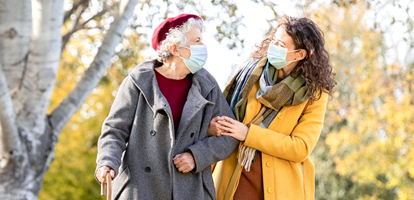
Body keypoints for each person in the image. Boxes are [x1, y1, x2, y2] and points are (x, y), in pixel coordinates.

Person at [95, 14, 239, 200]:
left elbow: (229, 136)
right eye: (197, 40)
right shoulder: (138, 81)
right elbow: (115, 130)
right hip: (140, 189)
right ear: (175, 48)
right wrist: (107, 162)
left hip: (191, 190)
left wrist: (197, 156)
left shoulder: (207, 84)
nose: (203, 46)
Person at [209, 16, 336, 200]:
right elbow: (219, 118)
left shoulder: (314, 94)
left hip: (282, 190)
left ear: (300, 54)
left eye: (281, 44)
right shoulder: (249, 74)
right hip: (232, 181)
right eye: (273, 41)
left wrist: (248, 134)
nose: (273, 47)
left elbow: (300, 148)